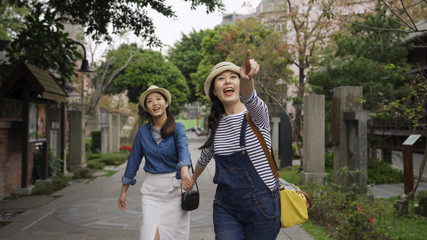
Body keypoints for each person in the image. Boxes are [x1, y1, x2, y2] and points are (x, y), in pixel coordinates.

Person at [189, 50, 281, 239]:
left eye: (233, 77)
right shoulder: (215, 125)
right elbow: (205, 157)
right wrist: (191, 179)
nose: (228, 81)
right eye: (221, 79)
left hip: (262, 205)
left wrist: (246, 78)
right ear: (215, 91)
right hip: (226, 207)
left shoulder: (257, 115)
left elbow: (250, 97)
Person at [118, 85, 193, 240]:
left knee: (174, 236)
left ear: (166, 103)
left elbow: (183, 149)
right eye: (150, 101)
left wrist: (184, 171)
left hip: (175, 191)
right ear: (146, 108)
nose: (155, 103)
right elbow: (133, 161)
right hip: (151, 193)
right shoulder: (143, 132)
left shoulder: (178, 128)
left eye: (158, 99)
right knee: (149, 235)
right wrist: (124, 190)